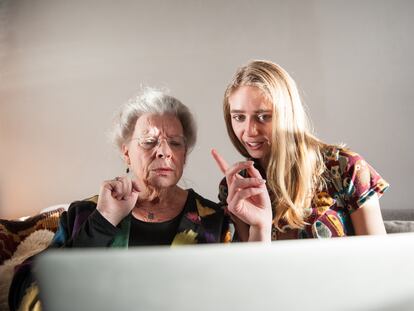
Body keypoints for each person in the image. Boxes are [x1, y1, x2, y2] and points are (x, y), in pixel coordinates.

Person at [9, 88, 268, 311]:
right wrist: (104, 222)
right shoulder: (88, 213)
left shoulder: (215, 220)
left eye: (176, 143)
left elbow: (248, 296)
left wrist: (259, 227)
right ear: (126, 152)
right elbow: (27, 289)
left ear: (184, 155)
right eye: (149, 142)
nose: (164, 152)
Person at [212, 60, 389, 241]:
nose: (249, 131)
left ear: (288, 115)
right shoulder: (237, 186)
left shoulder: (345, 167)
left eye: (263, 116)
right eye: (239, 117)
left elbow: (380, 259)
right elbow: (247, 267)